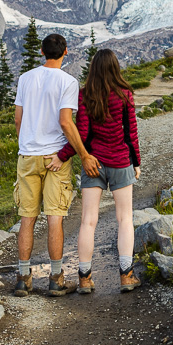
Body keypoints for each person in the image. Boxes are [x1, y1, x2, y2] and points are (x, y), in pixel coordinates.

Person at [12, 33, 100, 297]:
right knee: (54, 218)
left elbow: (18, 118)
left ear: (41, 51)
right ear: (66, 52)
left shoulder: (25, 78)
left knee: (26, 218)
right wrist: (82, 154)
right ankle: (55, 278)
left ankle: (23, 278)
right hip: (55, 158)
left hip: (27, 155)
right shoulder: (68, 82)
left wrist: (26, 144)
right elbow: (66, 122)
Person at [57, 48, 142, 293]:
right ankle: (126, 276)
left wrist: (63, 157)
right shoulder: (125, 95)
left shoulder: (86, 95)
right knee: (125, 219)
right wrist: (136, 162)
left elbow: (81, 135)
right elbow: (131, 134)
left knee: (88, 221)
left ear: (93, 69)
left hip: (93, 163)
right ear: (115, 68)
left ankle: (84, 278)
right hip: (120, 161)